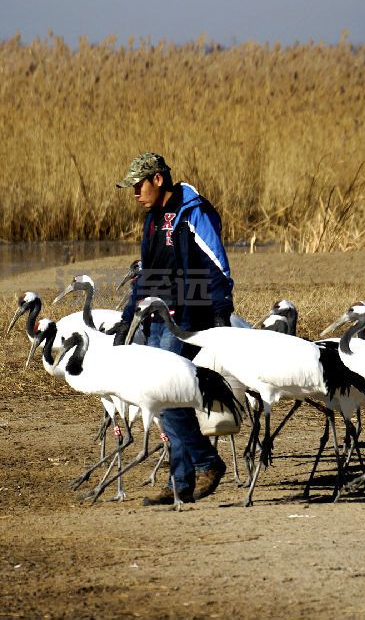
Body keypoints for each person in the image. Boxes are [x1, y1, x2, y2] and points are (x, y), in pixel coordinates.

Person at [112, 152, 234, 506]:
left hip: (187, 316)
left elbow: (217, 264)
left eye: (138, 185)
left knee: (165, 395)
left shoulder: (194, 211)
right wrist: (126, 318)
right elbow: (146, 276)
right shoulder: (152, 219)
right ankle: (181, 484)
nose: (135, 193)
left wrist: (221, 314)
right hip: (153, 318)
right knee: (166, 396)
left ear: (158, 180)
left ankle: (207, 462)